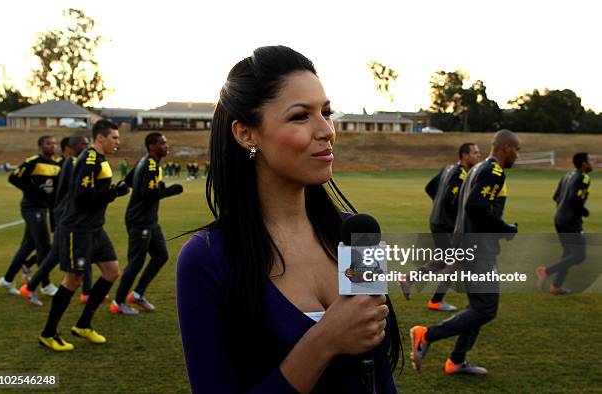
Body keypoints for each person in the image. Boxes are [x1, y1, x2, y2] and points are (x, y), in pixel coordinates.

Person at [177, 46, 402, 393]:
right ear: (246, 134)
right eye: (301, 116)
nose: (326, 130)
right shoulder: (208, 258)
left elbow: (380, 379)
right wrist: (324, 341)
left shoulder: (357, 238)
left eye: (326, 112)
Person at [410, 129, 520, 376]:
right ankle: (426, 335)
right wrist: (505, 228)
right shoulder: (493, 171)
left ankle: (456, 361)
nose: (517, 155)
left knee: (477, 308)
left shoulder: (476, 169)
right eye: (516, 149)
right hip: (478, 250)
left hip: (467, 246)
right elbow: (476, 206)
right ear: (504, 147)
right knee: (485, 309)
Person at [38, 120, 129, 351]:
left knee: (112, 272)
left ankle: (83, 324)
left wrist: (113, 190)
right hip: (77, 229)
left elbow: (96, 193)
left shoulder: (100, 159)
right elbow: (82, 197)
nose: (117, 142)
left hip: (95, 228)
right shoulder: (88, 159)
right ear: (101, 138)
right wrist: (113, 193)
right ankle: (48, 333)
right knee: (73, 280)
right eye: (114, 138)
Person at [400, 143, 481, 311]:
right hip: (447, 225)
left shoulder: (448, 169)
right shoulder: (461, 176)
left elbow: (430, 188)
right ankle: (436, 300)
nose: (478, 156)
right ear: (464, 155)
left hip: (437, 221)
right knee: (457, 260)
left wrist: (438, 207)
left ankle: (409, 279)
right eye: (475, 153)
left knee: (445, 259)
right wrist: (454, 214)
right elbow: (450, 201)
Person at [110, 133, 183, 314]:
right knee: (136, 262)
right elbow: (146, 194)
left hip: (149, 220)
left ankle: (137, 294)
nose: (166, 146)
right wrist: (171, 190)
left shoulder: (146, 161)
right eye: (162, 143)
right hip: (139, 220)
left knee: (161, 255)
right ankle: (118, 302)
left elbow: (128, 181)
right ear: (151, 146)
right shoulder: (149, 163)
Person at [20, 134, 90, 306]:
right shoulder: (71, 164)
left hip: (68, 214)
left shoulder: (71, 163)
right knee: (78, 251)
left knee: (58, 253)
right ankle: (86, 292)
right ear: (70, 148)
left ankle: (30, 284)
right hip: (68, 216)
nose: (87, 147)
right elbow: (72, 192)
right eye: (83, 144)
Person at [0, 136, 61, 295]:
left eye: (54, 143)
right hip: (31, 208)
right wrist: (34, 191)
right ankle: (45, 285)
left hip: (43, 208)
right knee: (44, 246)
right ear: (41, 146)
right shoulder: (33, 161)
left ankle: (7, 279)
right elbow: (13, 178)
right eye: (48, 143)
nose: (52, 146)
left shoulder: (56, 164)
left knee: (28, 246)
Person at [537, 152, 593, 294]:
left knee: (568, 253)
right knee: (579, 255)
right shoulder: (584, 178)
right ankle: (546, 271)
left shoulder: (567, 175)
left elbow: (556, 196)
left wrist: (563, 211)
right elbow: (574, 200)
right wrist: (584, 212)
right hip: (570, 221)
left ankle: (556, 286)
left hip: (560, 219)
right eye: (590, 160)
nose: (593, 162)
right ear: (584, 164)